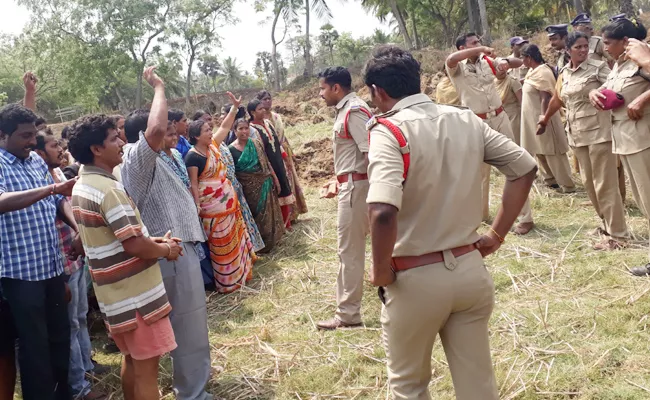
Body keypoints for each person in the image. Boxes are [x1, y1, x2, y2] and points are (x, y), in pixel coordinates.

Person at [364, 45, 537, 400]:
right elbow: (524, 168)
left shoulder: (388, 131)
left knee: (409, 385)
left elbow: (382, 211)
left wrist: (380, 271)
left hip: (414, 278)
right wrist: (496, 235)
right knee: (478, 385)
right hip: (470, 271)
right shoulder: (465, 119)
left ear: (378, 92)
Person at [68, 113, 181, 400]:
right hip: (138, 300)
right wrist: (166, 250)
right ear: (96, 149)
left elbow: (119, 238)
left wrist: (151, 241)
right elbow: (134, 246)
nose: (121, 142)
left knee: (132, 361)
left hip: (116, 300)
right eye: (113, 138)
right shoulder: (108, 190)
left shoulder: (84, 185)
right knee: (147, 374)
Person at [120, 67, 213, 400]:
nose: (171, 133)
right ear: (142, 136)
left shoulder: (165, 157)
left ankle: (191, 384)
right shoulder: (136, 159)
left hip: (176, 249)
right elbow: (157, 127)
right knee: (187, 326)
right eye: (166, 130)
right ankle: (192, 393)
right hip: (169, 253)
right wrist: (158, 86)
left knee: (188, 324)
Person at [0, 73, 81, 400]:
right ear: (2, 136)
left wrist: (77, 228)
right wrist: (52, 187)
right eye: (24, 136)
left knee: (59, 339)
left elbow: (57, 201)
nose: (31, 142)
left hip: (51, 267)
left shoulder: (34, 159)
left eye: (34, 135)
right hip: (20, 276)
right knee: (34, 348)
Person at [34, 129, 109, 400]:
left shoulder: (53, 173)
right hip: (60, 262)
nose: (61, 149)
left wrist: (79, 233)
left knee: (79, 319)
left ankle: (87, 365)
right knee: (70, 325)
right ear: (39, 152)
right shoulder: (38, 178)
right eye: (54, 145)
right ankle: (79, 387)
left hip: (73, 257)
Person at [539, 32, 628, 250]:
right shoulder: (565, 72)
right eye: (578, 46)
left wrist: (598, 91)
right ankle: (606, 224)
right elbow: (559, 98)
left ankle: (619, 235)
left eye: (585, 46)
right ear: (568, 49)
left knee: (604, 184)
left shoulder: (597, 68)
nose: (583, 50)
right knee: (589, 184)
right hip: (577, 136)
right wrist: (545, 118)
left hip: (599, 134)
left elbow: (616, 86)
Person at [446, 32, 533, 234]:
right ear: (462, 48)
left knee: (516, 165)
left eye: (479, 42)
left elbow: (515, 62)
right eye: (473, 43)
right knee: (479, 173)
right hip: (476, 122)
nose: (479, 45)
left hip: (500, 117)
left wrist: (505, 63)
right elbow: (450, 60)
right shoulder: (456, 67)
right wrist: (481, 50)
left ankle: (525, 218)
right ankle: (480, 216)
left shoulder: (487, 62)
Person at [590, 17, 650, 276]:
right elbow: (611, 88)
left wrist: (643, 100)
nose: (604, 47)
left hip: (642, 138)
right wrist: (595, 93)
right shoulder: (619, 65)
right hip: (624, 138)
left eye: (608, 43)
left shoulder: (643, 60)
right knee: (644, 203)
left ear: (626, 42)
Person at [314, 67, 371, 331]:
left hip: (358, 190)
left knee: (350, 252)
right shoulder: (347, 110)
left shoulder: (354, 111)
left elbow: (372, 154)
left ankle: (348, 315)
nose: (321, 94)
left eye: (323, 88)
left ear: (336, 88)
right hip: (353, 186)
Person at [186, 94, 257, 293]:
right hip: (211, 209)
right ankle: (229, 284)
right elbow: (193, 183)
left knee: (234, 240)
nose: (211, 132)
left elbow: (225, 127)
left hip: (228, 204)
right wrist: (198, 205)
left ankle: (241, 274)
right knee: (221, 245)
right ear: (196, 136)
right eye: (207, 130)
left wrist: (235, 108)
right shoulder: (193, 157)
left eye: (210, 129)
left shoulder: (212, 147)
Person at [520, 44, 576, 195]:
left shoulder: (543, 72)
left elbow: (545, 97)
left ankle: (567, 186)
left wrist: (543, 118)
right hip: (532, 119)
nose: (521, 61)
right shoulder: (532, 71)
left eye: (522, 57)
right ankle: (551, 181)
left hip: (544, 118)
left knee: (553, 151)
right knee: (540, 150)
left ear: (529, 58)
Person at [229, 118, 285, 252]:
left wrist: (275, 179)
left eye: (246, 128)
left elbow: (266, 163)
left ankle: (272, 240)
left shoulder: (256, 143)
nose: (244, 131)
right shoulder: (230, 149)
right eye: (240, 129)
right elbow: (233, 172)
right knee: (255, 214)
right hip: (247, 188)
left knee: (269, 213)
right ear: (234, 131)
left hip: (265, 183)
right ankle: (260, 245)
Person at [258, 90, 308, 223]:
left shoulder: (276, 116)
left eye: (269, 98)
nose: (268, 101)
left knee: (290, 180)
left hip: (284, 151)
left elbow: (283, 136)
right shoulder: (260, 120)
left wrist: (289, 152)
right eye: (264, 99)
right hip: (273, 156)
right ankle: (283, 219)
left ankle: (293, 214)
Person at [248, 99, 296, 228]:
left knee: (285, 188)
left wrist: (286, 159)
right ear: (252, 112)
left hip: (279, 162)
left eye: (264, 108)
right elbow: (261, 152)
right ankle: (280, 226)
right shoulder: (252, 130)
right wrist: (270, 171)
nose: (264, 111)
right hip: (268, 166)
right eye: (260, 109)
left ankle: (288, 223)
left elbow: (276, 143)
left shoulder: (268, 123)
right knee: (275, 191)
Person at [219, 138, 266, 253]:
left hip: (234, 186)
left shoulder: (221, 144)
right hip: (224, 193)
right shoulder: (210, 148)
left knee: (244, 216)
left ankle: (252, 247)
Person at [495, 68, 523, 145]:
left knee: (515, 143)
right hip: (501, 118)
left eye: (502, 68)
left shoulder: (512, 81)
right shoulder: (492, 82)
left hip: (514, 117)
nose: (502, 70)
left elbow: (522, 101)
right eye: (498, 69)